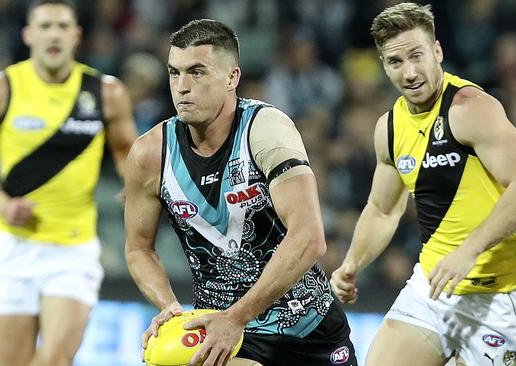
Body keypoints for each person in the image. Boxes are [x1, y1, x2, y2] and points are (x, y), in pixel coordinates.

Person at [124, 19, 357, 366]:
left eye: (197, 72)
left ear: (232, 78)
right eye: (174, 73)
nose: (182, 86)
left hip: (310, 332)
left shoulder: (266, 130)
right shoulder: (149, 154)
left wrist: (237, 317)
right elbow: (138, 248)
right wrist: (169, 308)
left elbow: (309, 238)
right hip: (229, 340)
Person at [330, 3, 516, 366]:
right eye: (395, 62)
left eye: (417, 56)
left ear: (437, 52)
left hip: (496, 299)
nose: (410, 72)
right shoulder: (389, 128)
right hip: (430, 289)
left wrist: (469, 250)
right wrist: (352, 263)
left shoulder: (469, 108)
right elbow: (382, 210)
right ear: (384, 66)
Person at [0, 1, 137, 365]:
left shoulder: (105, 92)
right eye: (44, 26)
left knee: (54, 361)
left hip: (73, 251)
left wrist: (132, 184)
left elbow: (126, 152)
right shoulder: (1, 89)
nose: (53, 34)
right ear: (28, 35)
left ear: (76, 35)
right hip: (13, 247)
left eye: (61, 26)